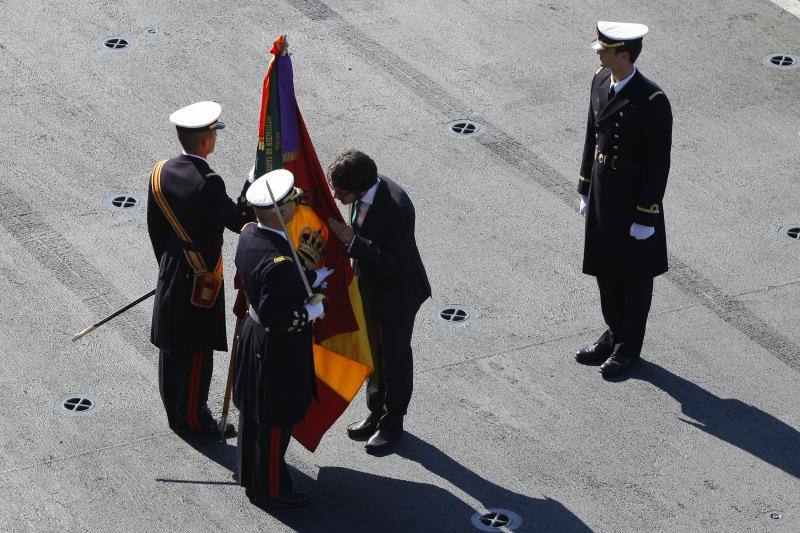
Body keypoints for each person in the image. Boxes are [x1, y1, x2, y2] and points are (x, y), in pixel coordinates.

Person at [147, 101, 253, 436]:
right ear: (207, 140)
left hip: (172, 268)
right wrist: (251, 186)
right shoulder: (208, 181)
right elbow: (239, 221)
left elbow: (156, 229)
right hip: (199, 278)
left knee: (171, 346)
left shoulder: (160, 171)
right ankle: (194, 420)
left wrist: (169, 265)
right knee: (195, 352)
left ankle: (175, 412)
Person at [575, 22, 673, 378]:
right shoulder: (600, 80)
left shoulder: (652, 101)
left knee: (633, 276)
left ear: (625, 56)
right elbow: (592, 135)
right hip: (603, 192)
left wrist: (646, 214)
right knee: (604, 267)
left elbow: (657, 162)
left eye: (605, 49)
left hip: (633, 200)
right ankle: (615, 330)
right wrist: (585, 186)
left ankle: (628, 347)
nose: (598, 52)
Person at [233, 169, 331, 508]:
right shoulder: (280, 264)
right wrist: (312, 313)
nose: (295, 207)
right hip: (276, 347)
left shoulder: (248, 235)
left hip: (254, 336)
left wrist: (306, 277)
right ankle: (272, 488)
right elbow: (280, 316)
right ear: (282, 212)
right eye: (291, 202)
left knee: (252, 414)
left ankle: (250, 473)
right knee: (274, 420)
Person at [327, 150, 431, 453]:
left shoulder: (396, 207)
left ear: (360, 189)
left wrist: (352, 242)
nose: (335, 196)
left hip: (397, 294)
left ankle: (392, 422)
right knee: (373, 354)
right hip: (369, 287)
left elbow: (393, 263)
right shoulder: (360, 193)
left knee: (394, 358)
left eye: (339, 192)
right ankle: (375, 411)